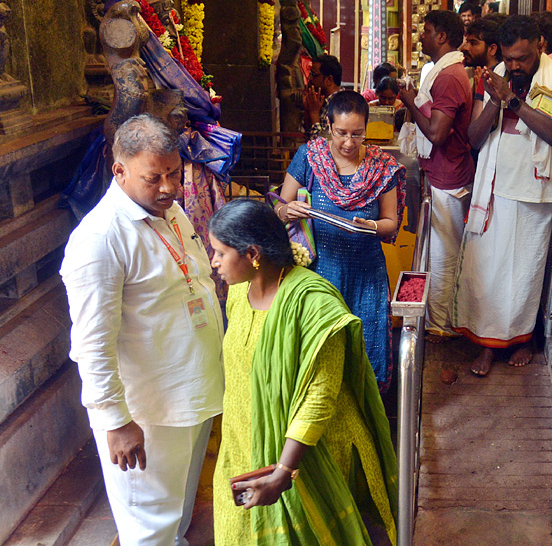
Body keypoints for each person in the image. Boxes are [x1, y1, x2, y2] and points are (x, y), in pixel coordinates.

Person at [61, 114, 224, 546]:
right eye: (154, 177)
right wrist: (116, 422)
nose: (169, 187)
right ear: (120, 171)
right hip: (148, 414)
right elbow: (91, 346)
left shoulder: (168, 212)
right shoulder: (100, 238)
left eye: (175, 172)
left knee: (175, 520)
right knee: (147, 529)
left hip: (191, 396)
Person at [208, 200, 397, 546]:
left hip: (303, 454)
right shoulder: (238, 293)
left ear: (252, 253)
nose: (214, 262)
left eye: (220, 252)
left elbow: (318, 396)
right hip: (242, 443)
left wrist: (283, 471)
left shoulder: (314, 304)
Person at [454, 15, 552, 376]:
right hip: (494, 186)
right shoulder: (494, 77)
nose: (515, 65)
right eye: (509, 58)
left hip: (534, 189)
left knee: (525, 267)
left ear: (540, 44)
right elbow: (474, 139)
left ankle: (522, 339)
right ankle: (486, 343)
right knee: (487, 268)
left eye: (522, 58)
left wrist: (514, 102)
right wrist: (495, 100)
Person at [277, 91, 405, 390]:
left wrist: (370, 225)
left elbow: (390, 223)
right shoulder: (310, 157)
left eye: (358, 134)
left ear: (367, 129)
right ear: (328, 126)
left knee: (363, 352)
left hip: (366, 274)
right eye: (341, 133)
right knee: (319, 353)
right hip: (318, 272)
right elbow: (279, 206)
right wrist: (288, 210)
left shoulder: (381, 166)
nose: (349, 142)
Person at [398, 9, 476, 336]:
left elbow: (437, 134)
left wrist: (409, 101)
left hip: (450, 177)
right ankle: (432, 320)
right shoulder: (447, 73)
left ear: (442, 36)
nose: (420, 36)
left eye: (426, 30)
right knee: (433, 253)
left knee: (443, 258)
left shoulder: (448, 77)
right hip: (442, 173)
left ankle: (439, 327)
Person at [304, 54, 344, 137]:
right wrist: (308, 111)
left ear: (329, 79)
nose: (309, 79)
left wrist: (314, 114)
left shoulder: (339, 105)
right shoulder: (320, 101)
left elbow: (322, 146)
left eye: (313, 75)